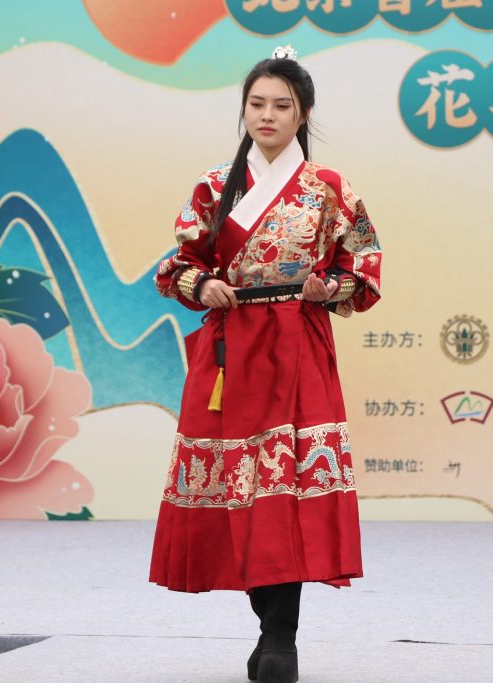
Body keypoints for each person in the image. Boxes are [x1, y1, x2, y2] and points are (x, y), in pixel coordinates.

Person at [149, 45, 382, 683]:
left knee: (287, 489)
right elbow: (175, 265)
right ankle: (267, 624)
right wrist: (203, 285)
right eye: (257, 104)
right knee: (239, 488)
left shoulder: (329, 188)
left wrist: (328, 288)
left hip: (296, 342)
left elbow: (364, 267)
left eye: (282, 105)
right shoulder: (214, 185)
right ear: (244, 109)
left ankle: (281, 637)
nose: (268, 115)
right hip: (231, 351)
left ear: (302, 113)